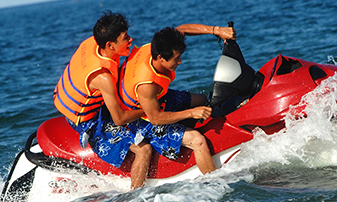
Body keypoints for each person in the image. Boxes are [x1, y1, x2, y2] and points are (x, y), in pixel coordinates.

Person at [53, 11, 152, 189]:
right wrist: (149, 110)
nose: (130, 40)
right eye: (125, 38)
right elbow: (119, 119)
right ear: (110, 45)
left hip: (76, 101)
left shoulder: (92, 42)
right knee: (143, 149)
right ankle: (136, 197)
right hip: (87, 120)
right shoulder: (103, 77)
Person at [119, 24, 235, 175]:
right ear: (160, 58)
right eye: (176, 58)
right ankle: (215, 184)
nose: (180, 62)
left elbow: (181, 29)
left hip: (159, 99)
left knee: (202, 99)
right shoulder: (146, 86)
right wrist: (191, 113)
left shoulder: (157, 48)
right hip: (142, 119)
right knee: (197, 140)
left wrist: (217, 31)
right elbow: (155, 118)